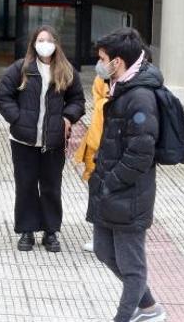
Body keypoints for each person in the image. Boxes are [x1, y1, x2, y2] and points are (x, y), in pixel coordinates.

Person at [88, 28, 167, 322]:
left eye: (102, 58)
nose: (99, 63)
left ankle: (126, 316)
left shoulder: (140, 98)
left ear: (117, 62)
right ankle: (148, 307)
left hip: (128, 194)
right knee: (102, 250)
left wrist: (110, 182)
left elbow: (141, 154)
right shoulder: (120, 86)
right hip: (110, 190)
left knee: (132, 265)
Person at [0, 25, 85, 252]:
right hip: (23, 141)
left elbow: (78, 100)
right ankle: (26, 230)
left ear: (56, 43)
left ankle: (50, 231)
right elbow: (2, 97)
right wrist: (18, 118)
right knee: (25, 185)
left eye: (48, 40)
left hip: (53, 142)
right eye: (40, 40)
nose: (44, 44)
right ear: (34, 43)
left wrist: (67, 117)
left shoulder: (66, 70)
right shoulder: (21, 68)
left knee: (51, 186)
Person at [74, 75, 109, 253]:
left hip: (112, 147)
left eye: (104, 58)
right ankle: (100, 237)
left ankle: (108, 238)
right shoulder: (101, 79)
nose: (101, 63)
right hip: (97, 144)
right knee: (96, 193)